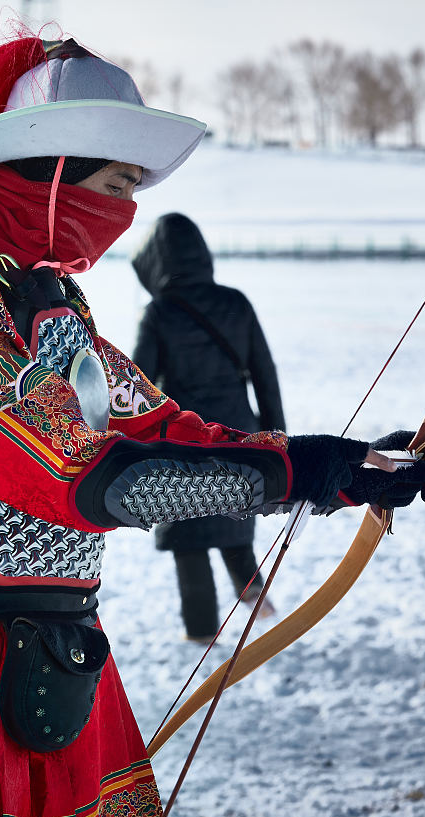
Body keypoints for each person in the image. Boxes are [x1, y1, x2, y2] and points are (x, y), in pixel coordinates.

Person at [0, 34, 425, 817]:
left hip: (56, 661)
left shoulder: (44, 298)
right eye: (116, 185)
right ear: (52, 167)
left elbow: (158, 426)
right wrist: (299, 473)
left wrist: (341, 467)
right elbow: (84, 476)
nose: (125, 212)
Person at [131, 212, 287, 641]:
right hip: (239, 432)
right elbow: (265, 375)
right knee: (235, 511)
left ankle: (201, 633)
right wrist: (277, 440)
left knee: (188, 532)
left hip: (183, 436)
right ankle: (256, 596)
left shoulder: (159, 312)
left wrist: (131, 445)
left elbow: (137, 386)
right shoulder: (236, 302)